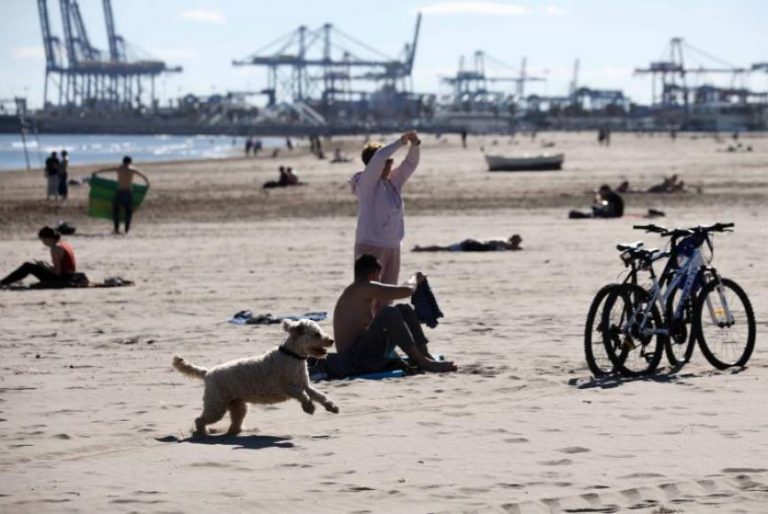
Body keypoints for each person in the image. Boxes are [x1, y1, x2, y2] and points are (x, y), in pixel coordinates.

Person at [332, 254, 457, 376]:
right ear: (373, 275)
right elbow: (406, 291)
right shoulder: (363, 287)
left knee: (404, 308)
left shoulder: (355, 291)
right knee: (388, 312)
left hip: (359, 353)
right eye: (378, 277)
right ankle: (423, 362)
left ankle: (424, 355)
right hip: (352, 361)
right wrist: (415, 277)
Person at [350, 130, 421, 308]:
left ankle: (383, 334)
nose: (389, 165)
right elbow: (380, 156)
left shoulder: (392, 182)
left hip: (393, 247)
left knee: (386, 300)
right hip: (370, 246)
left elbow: (410, 164)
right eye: (386, 162)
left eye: (390, 162)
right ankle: (364, 334)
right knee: (368, 299)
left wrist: (415, 145)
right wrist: (400, 142)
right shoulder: (365, 184)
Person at [1, 226, 79, 287]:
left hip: (62, 278)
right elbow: (61, 268)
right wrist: (46, 265)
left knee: (27, 266)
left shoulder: (55, 248)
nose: (43, 243)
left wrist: (44, 266)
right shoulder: (64, 244)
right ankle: (8, 281)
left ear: (48, 238)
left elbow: (57, 273)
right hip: (69, 276)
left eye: (43, 240)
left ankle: (3, 282)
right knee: (31, 265)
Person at [92, 156, 150, 234]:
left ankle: (116, 229)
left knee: (116, 211)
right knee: (128, 212)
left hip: (120, 192)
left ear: (123, 161)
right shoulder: (132, 170)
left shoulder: (119, 169)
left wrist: (96, 172)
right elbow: (144, 176)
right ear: (130, 162)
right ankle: (126, 229)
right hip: (128, 192)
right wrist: (147, 184)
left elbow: (107, 169)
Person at [413, 234, 522, 252]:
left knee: (443, 248)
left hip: (471, 244)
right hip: (471, 245)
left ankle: (421, 249)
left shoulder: (502, 242)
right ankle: (420, 249)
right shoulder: (505, 244)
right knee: (443, 249)